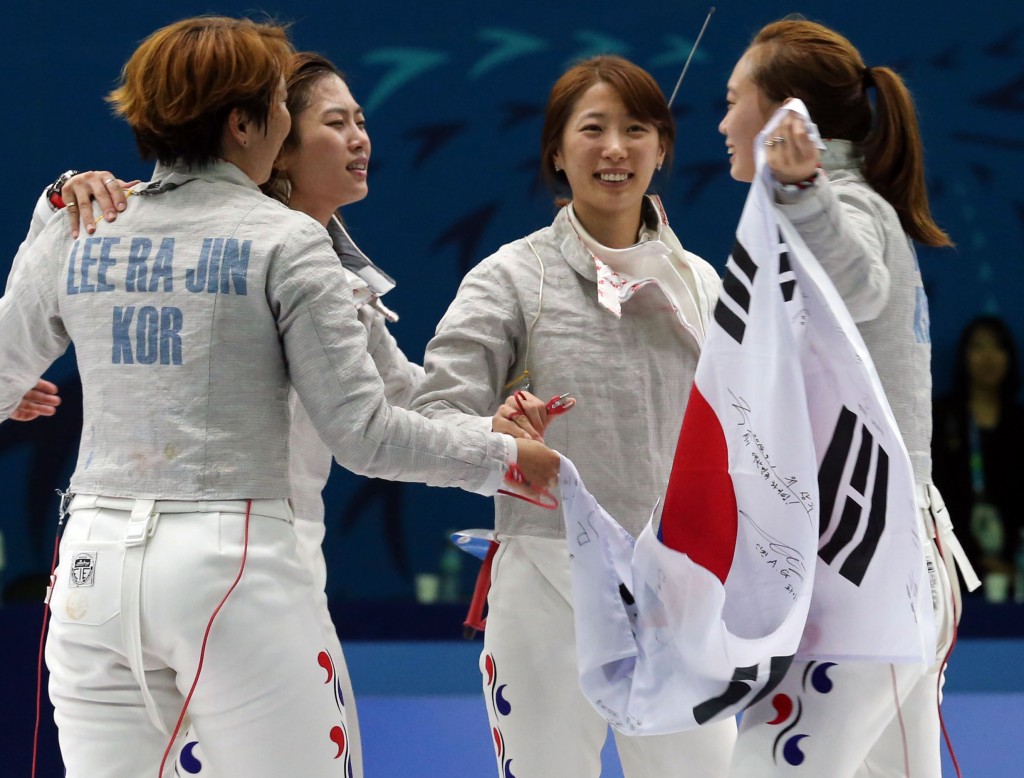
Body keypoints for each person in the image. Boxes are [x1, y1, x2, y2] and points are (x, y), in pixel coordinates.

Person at [0, 16, 559, 778]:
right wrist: (506, 460)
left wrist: (53, 210)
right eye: (284, 107)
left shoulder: (84, 226)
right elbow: (365, 434)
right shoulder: (288, 241)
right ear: (243, 123)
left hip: (91, 571)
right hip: (232, 570)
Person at [412, 55, 736, 777]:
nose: (615, 148)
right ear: (557, 151)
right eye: (592, 129)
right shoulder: (509, 277)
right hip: (547, 581)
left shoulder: (704, 286)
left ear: (662, 149)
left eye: (635, 129)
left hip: (677, 589)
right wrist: (495, 440)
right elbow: (436, 416)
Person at [717, 17, 977, 776]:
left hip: (872, 575)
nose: (724, 121)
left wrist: (799, 186)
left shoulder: (845, 207)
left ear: (787, 117)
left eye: (735, 100)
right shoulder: (822, 211)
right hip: (885, 567)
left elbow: (860, 284)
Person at [933, 315, 1024, 602]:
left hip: (1015, 564)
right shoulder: (942, 416)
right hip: (952, 557)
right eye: (978, 347)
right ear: (964, 356)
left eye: (997, 347)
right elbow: (936, 491)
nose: (988, 357)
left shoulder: (1018, 421)